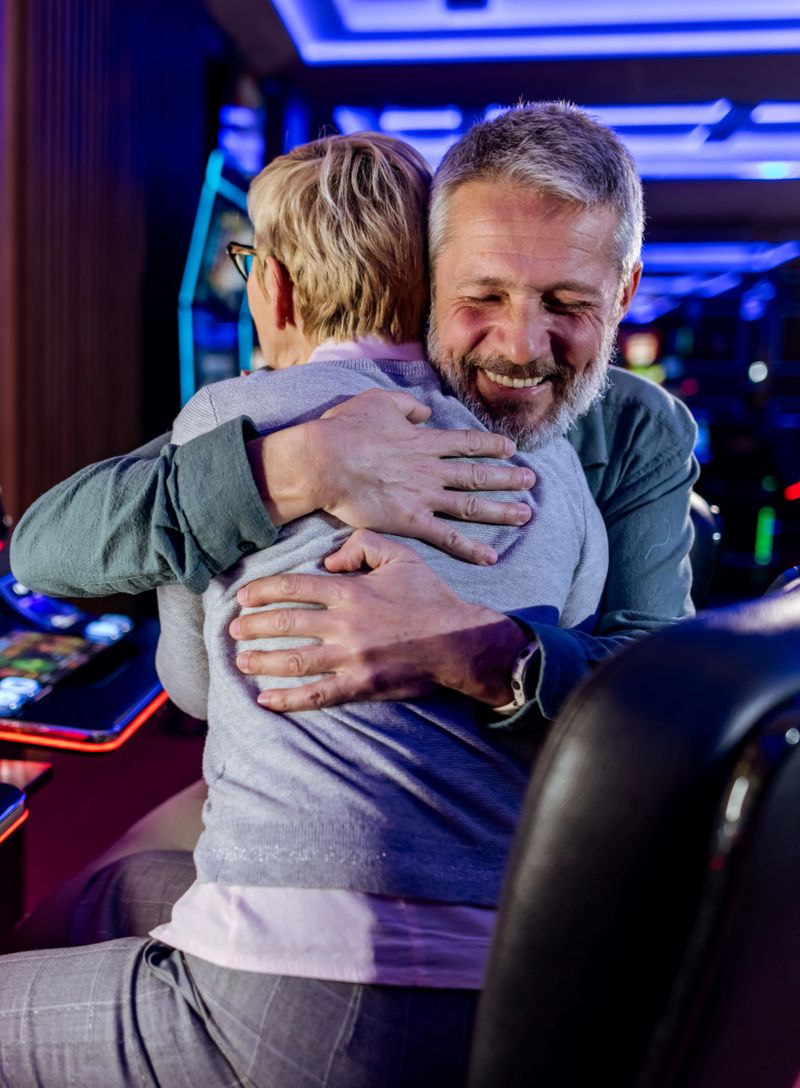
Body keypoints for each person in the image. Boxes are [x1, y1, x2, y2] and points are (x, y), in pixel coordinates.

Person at [0, 127, 610, 1086]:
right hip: (507, 989)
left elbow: (195, 688)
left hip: (297, 988)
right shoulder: (555, 455)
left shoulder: (232, 415)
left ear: (273, 285)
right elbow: (574, 640)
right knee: (113, 891)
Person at [11, 103, 698, 727]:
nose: (519, 347)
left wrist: (480, 651)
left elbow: (666, 694)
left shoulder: (642, 430)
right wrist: (298, 465)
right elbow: (48, 549)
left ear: (624, 291)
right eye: (482, 295)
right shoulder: (329, 401)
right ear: (430, 277)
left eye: (566, 303)